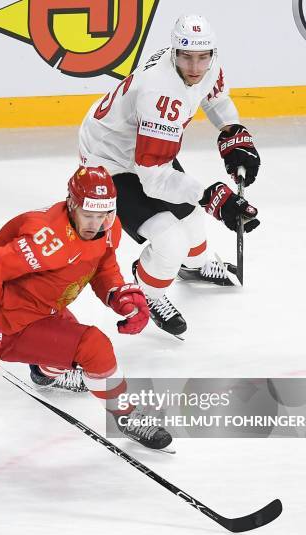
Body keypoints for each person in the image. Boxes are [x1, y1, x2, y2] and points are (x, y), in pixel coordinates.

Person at [0, 166, 172, 450]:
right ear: (71, 204)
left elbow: (102, 265)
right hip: (12, 324)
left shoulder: (109, 227)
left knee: (65, 346)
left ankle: (44, 372)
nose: (95, 224)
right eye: (89, 215)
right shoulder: (45, 240)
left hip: (46, 308)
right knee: (94, 347)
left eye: (103, 215)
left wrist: (117, 294)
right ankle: (126, 416)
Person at [79, 14, 261, 337]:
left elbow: (215, 98)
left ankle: (194, 265)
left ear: (212, 54)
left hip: (143, 147)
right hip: (108, 158)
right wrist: (211, 196)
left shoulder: (207, 66)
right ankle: (150, 291)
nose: (195, 67)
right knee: (169, 240)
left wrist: (233, 133)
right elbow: (153, 179)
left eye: (202, 57)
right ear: (174, 52)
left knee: (192, 220)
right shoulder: (160, 94)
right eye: (187, 57)